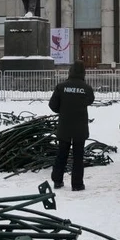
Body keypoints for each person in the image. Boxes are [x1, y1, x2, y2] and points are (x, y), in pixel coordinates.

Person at [48, 60, 95, 191]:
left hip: (65, 126)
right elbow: (90, 100)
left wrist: (63, 110)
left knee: (62, 154)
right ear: (83, 73)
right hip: (80, 127)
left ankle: (57, 180)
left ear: (70, 71)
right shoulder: (86, 88)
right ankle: (77, 184)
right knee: (78, 156)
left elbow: (52, 105)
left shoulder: (61, 87)